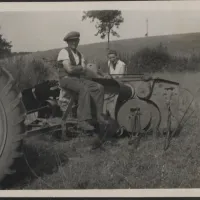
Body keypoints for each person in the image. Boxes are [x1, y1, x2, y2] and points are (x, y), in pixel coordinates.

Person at [57, 31, 106, 133]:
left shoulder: (80, 54)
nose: (74, 43)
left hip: (77, 79)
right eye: (71, 41)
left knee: (99, 87)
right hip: (66, 79)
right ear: (67, 42)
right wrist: (80, 68)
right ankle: (82, 120)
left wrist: (99, 76)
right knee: (83, 89)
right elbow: (69, 70)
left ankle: (98, 115)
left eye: (75, 41)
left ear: (78, 41)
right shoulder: (64, 52)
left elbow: (85, 70)